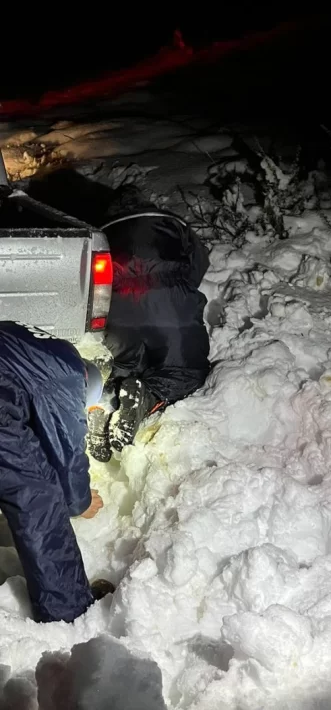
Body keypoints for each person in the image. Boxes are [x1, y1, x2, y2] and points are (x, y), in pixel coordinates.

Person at [0, 321, 113, 623]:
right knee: (38, 497)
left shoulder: (45, 349)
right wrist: (80, 502)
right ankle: (68, 612)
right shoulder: (68, 376)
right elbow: (65, 448)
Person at [88, 186, 211, 462]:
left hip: (119, 314)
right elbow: (200, 263)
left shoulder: (100, 231)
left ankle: (106, 401)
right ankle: (147, 396)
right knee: (185, 372)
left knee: (125, 365)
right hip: (172, 310)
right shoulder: (173, 222)